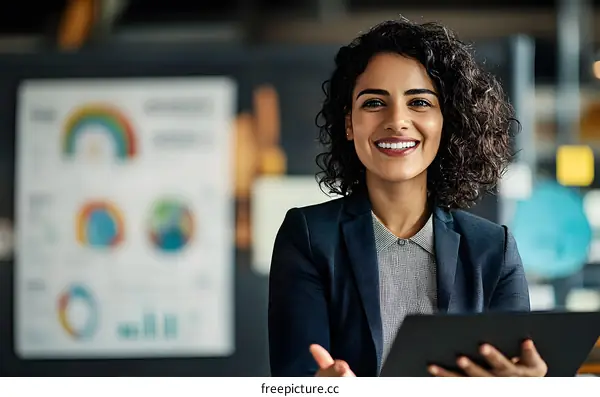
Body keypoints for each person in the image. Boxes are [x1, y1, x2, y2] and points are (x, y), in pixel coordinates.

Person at [267, 18, 548, 377]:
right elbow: (296, 379)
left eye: (418, 102)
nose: (397, 121)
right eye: (373, 103)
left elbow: (514, 370)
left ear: (448, 121)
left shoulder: (494, 249)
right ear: (350, 123)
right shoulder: (308, 237)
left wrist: (534, 387)